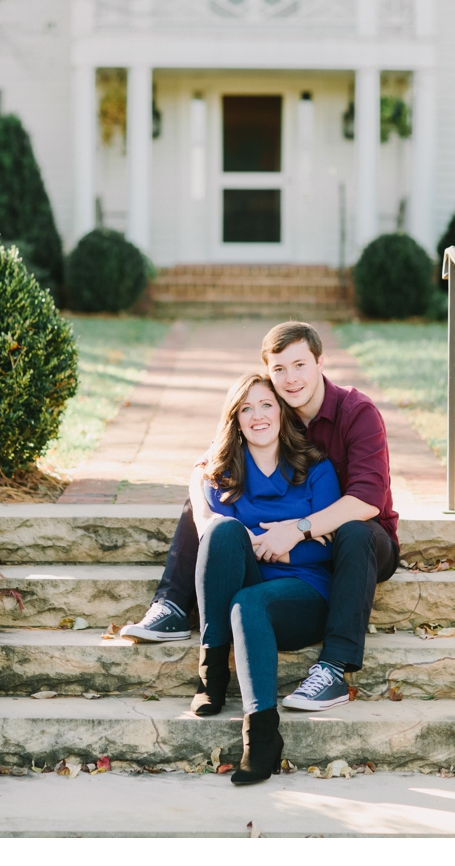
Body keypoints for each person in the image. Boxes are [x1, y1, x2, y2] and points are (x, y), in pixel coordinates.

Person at [121, 321, 398, 711]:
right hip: (294, 541)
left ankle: (334, 669)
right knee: (206, 499)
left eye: (300, 365)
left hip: (366, 544)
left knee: (354, 530)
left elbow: (368, 499)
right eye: (279, 369)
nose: (291, 378)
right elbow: (206, 467)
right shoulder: (272, 403)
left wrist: (296, 531)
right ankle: (173, 604)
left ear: (321, 363)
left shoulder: (357, 412)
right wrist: (211, 526)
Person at [192, 373, 340, 785]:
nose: (258, 416)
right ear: (236, 419)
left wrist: (286, 544)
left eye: (266, 405)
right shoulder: (223, 473)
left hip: (304, 591)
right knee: (223, 533)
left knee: (248, 601)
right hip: (250, 577)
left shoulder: (316, 468)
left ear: (282, 412)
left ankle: (260, 737)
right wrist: (271, 537)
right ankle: (212, 677)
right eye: (246, 408)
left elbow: (330, 545)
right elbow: (213, 538)